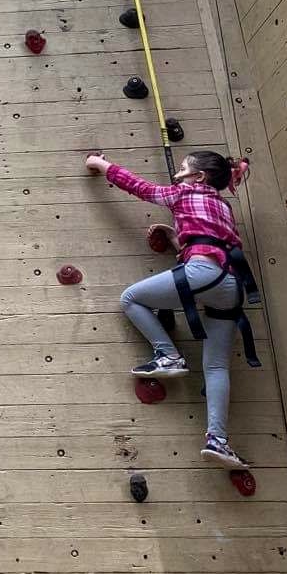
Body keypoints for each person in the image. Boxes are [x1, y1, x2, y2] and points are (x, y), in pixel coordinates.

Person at [85, 149, 255, 471]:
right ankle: (217, 440)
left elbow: (140, 188)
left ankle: (168, 354)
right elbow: (210, 244)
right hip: (230, 286)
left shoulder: (183, 192)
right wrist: (176, 238)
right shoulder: (223, 206)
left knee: (131, 299)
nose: (178, 171)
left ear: (198, 177)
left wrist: (101, 164)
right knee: (216, 366)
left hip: (202, 274)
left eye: (183, 167)